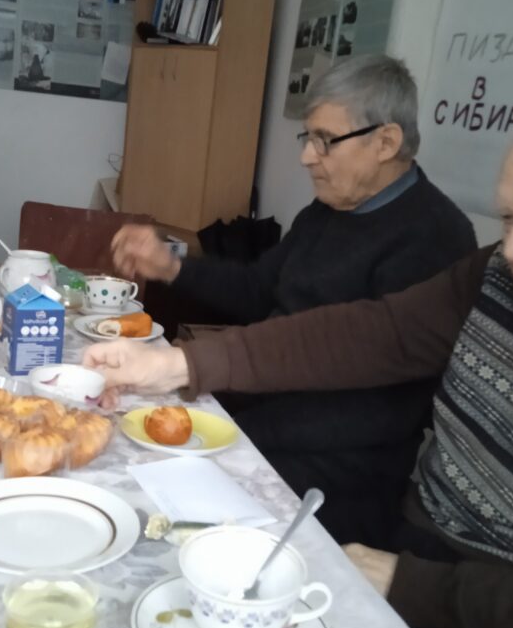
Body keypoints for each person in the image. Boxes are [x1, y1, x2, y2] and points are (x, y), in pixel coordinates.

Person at [83, 91, 513, 628]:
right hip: (414, 545)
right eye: (509, 217)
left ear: (386, 141)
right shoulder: (491, 274)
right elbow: (371, 333)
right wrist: (181, 364)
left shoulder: (432, 233)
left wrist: (409, 585)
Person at [111, 55, 476, 546]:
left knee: (160, 516)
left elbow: (382, 405)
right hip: (265, 420)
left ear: (386, 142)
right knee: (128, 452)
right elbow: (258, 291)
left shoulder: (436, 237)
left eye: (325, 140)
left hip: (341, 471)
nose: (307, 156)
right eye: (308, 137)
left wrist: (240, 435)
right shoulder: (325, 212)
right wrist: (172, 266)